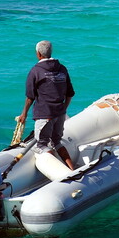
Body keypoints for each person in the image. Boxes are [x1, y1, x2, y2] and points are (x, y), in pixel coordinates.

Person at [16, 40, 76, 171]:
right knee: (57, 142)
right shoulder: (62, 69)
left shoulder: (35, 71)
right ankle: (71, 169)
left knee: (42, 145)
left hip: (45, 114)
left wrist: (23, 114)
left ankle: (60, 172)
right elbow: (70, 94)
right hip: (60, 113)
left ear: (38, 54)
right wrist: (63, 110)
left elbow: (30, 97)